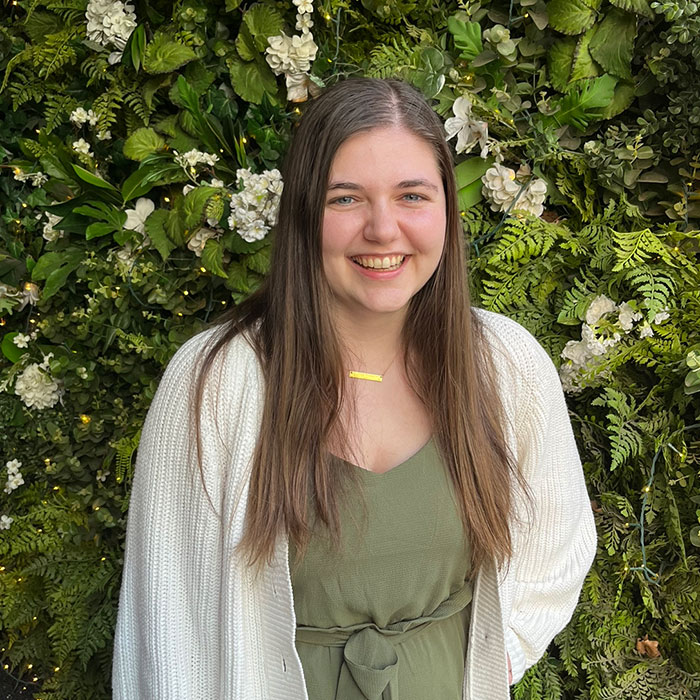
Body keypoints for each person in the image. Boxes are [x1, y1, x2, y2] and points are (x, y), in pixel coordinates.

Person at [112, 78, 597, 700]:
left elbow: (558, 536)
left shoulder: (502, 364)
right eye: (346, 199)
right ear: (304, 213)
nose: (382, 228)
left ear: (447, 208)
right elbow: (167, 627)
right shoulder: (214, 385)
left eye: (412, 195)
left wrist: (500, 653)